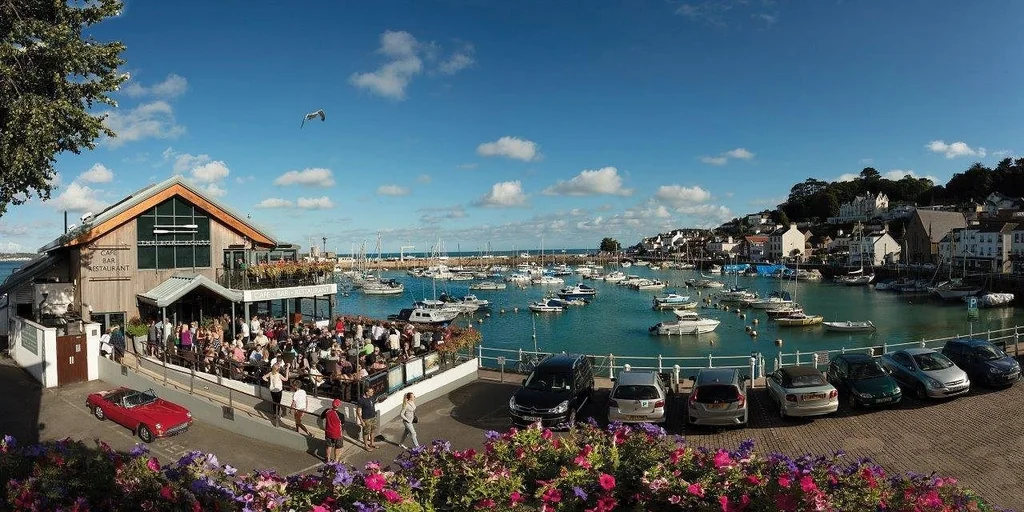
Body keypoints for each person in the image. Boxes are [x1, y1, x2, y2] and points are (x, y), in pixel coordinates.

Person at [356, 386, 379, 451]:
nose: (372, 393)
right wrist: (361, 421)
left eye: (372, 391)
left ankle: (372, 443)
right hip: (366, 419)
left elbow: (376, 401)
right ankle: (366, 445)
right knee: (366, 433)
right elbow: (358, 411)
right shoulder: (361, 400)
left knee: (373, 431)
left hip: (373, 417)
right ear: (366, 393)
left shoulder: (372, 397)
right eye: (371, 392)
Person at [323, 398, 344, 463]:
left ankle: (328, 459)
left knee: (329, 446)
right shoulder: (341, 415)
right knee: (338, 447)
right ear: (339, 405)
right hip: (337, 433)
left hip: (328, 432)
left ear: (332, 404)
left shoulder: (327, 411)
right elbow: (342, 424)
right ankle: (336, 460)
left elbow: (322, 416)